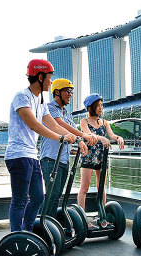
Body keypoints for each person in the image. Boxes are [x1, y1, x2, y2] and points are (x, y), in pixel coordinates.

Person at [4, 59, 77, 232]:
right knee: (20, 200)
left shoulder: (41, 102)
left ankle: (27, 232)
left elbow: (52, 124)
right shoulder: (21, 97)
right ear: (40, 76)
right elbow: (34, 125)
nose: (51, 82)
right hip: (18, 155)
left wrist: (73, 136)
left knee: (38, 198)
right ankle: (17, 236)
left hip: (31, 156)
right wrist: (61, 138)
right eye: (50, 77)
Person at [40, 78, 98, 218]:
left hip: (64, 159)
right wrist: (82, 135)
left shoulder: (67, 113)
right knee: (52, 195)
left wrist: (81, 141)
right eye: (68, 91)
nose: (70, 94)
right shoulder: (50, 108)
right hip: (51, 158)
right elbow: (59, 125)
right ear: (57, 92)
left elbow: (72, 130)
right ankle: (43, 224)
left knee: (58, 195)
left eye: (72, 91)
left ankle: (51, 224)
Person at [78, 94, 125, 216]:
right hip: (88, 156)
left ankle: (102, 214)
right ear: (90, 108)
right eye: (97, 106)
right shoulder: (84, 121)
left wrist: (119, 138)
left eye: (101, 105)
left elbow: (112, 135)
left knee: (101, 186)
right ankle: (81, 216)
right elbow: (88, 134)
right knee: (84, 188)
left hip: (101, 157)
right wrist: (102, 138)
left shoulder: (104, 122)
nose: (100, 108)